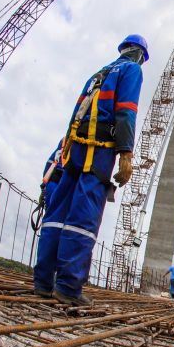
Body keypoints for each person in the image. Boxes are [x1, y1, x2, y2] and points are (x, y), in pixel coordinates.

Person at [32, 34, 148, 308]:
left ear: (123, 49)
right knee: (84, 216)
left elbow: (75, 114)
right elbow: (126, 112)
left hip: (73, 151)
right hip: (99, 150)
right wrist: (126, 154)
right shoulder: (132, 70)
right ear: (141, 55)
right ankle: (69, 287)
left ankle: (43, 282)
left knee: (57, 214)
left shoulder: (98, 73)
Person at [41, 137, 65, 210]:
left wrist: (44, 187)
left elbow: (50, 163)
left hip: (54, 182)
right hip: (64, 184)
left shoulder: (64, 139)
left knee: (50, 215)